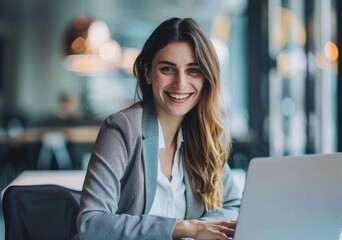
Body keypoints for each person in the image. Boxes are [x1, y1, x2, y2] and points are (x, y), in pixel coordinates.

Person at [76, 17, 241, 240]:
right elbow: (91, 223)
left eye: (193, 70)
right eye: (167, 69)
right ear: (147, 73)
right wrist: (183, 228)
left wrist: (201, 227)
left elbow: (233, 204)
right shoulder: (122, 129)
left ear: (206, 78)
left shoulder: (206, 133)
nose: (180, 83)